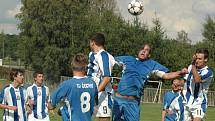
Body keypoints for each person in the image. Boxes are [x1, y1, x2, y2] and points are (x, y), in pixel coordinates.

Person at [112, 44, 188, 121]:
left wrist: (180, 72)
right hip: (119, 100)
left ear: (149, 55)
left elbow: (166, 75)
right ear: (138, 51)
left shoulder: (152, 65)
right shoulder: (128, 59)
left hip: (133, 103)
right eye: (142, 48)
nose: (143, 51)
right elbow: (110, 60)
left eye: (147, 50)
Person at [48, 53, 98, 121]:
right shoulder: (92, 84)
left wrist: (62, 109)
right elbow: (94, 106)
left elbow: (50, 105)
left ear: (72, 66)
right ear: (86, 67)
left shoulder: (67, 84)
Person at [87, 32, 115, 121]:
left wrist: (95, 92)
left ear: (93, 42)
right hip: (91, 90)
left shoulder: (104, 56)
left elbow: (107, 77)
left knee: (103, 118)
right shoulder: (92, 54)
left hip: (102, 93)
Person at [182, 48, 213, 121]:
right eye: (196, 58)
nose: (197, 60)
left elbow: (197, 80)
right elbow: (186, 81)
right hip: (186, 101)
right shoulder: (190, 67)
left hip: (199, 102)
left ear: (205, 59)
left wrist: (193, 64)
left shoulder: (208, 72)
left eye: (199, 59)